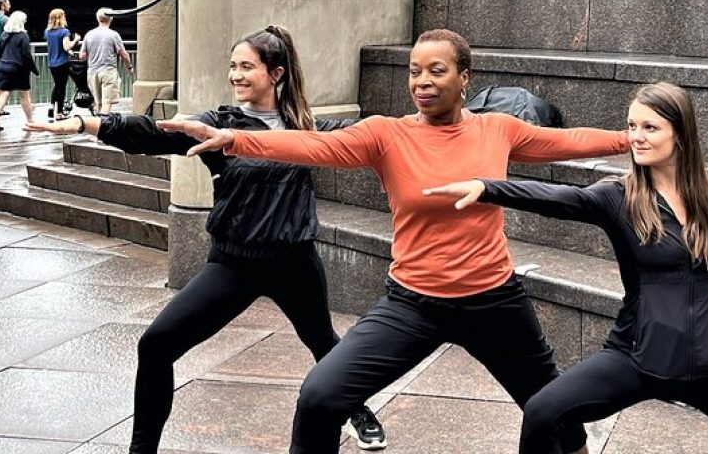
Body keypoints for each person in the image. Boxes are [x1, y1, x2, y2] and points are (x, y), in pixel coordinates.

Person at [157, 28, 632, 454]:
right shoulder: (387, 135)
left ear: (464, 78)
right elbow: (312, 146)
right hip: (413, 304)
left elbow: (569, 141)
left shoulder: (498, 130)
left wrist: (633, 139)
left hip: (494, 301)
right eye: (414, 72)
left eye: (437, 71)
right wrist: (234, 139)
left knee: (557, 417)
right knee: (321, 396)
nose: (422, 81)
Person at [24, 25, 387, 453]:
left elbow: (372, 135)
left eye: (246, 67)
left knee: (322, 342)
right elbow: (154, 133)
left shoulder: (306, 128)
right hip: (234, 263)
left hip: (294, 261)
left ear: (277, 73)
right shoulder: (219, 124)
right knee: (156, 346)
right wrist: (90, 122)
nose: (235, 75)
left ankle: (358, 410)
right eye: (232, 66)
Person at [423, 81, 708, 454]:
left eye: (649, 127)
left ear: (680, 132)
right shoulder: (619, 197)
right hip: (638, 356)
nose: (636, 138)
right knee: (543, 412)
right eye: (632, 126)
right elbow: (559, 198)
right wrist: (487, 188)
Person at [0, 11, 38, 131]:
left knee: (4, 94)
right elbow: (26, 55)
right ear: (22, 22)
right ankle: (30, 122)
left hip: (4, 68)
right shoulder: (23, 36)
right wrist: (35, 70)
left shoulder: (4, 35)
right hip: (19, 69)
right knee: (24, 96)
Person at [79, 7, 133, 114]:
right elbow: (123, 54)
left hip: (92, 73)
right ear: (111, 19)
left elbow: (82, 56)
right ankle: (103, 126)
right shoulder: (113, 35)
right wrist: (129, 67)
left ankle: (98, 125)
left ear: (97, 19)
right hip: (108, 72)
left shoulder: (89, 34)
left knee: (98, 103)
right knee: (107, 103)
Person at [44, 8, 81, 121]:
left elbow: (56, 45)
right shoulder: (64, 31)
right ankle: (59, 113)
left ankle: (51, 106)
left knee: (57, 85)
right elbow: (66, 46)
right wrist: (76, 40)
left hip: (52, 62)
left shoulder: (47, 32)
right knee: (62, 87)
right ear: (61, 18)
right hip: (62, 62)